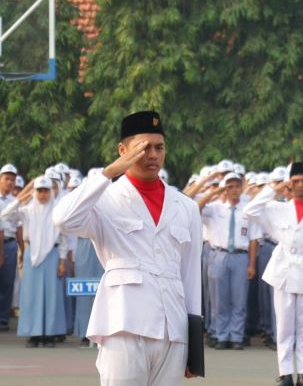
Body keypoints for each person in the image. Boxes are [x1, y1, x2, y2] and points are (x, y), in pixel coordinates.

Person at [52, 111, 202, 385]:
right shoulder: (104, 198)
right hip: (124, 322)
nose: (153, 155)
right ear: (123, 150)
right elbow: (62, 219)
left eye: (159, 147)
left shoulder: (186, 207)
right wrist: (109, 172)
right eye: (143, 148)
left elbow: (190, 276)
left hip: (173, 327)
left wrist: (194, 347)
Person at [244, 162, 303, 386]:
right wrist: (275, 188)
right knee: (283, 326)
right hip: (283, 272)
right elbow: (250, 210)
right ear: (289, 183)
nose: (300, 185)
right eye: (295, 181)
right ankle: (285, 373)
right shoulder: (277, 208)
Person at [1, 175, 68, 347]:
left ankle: (49, 334)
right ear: (34, 192)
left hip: (53, 255)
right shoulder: (28, 210)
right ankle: (33, 334)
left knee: (51, 296)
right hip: (32, 255)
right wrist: (21, 198)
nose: (43, 195)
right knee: (32, 296)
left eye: (46, 191)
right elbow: (5, 215)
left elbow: (64, 237)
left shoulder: (57, 210)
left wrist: (62, 260)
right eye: (39, 191)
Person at [197, 172, 260, 350]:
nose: (233, 190)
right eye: (229, 186)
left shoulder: (247, 210)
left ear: (241, 188)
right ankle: (221, 334)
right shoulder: (215, 208)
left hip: (240, 256)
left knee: (239, 299)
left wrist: (252, 264)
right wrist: (215, 192)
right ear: (225, 188)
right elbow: (196, 207)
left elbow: (254, 239)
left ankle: (237, 336)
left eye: (236, 186)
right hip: (219, 255)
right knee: (219, 299)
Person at [0, 163, 19, 332]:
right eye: (6, 178)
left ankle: (3, 318)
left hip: (10, 244)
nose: (10, 182)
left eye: (12, 179)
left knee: (7, 282)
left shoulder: (15, 202)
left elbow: (19, 227)